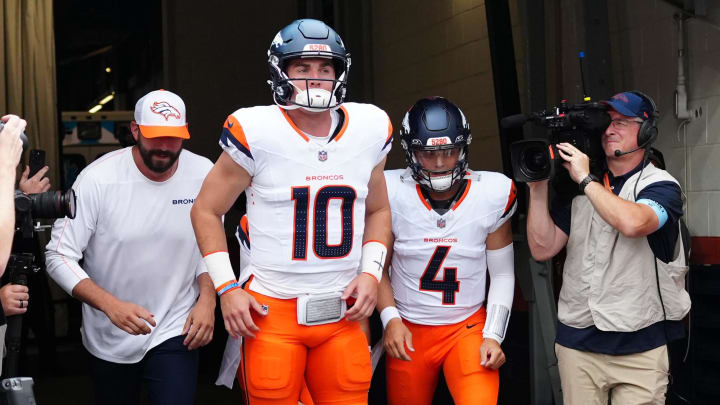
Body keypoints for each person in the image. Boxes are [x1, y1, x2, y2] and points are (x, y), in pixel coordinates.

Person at [191, 18, 393, 405]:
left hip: (343, 311)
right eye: (302, 68)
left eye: (325, 68)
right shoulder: (257, 129)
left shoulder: (368, 127)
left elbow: (379, 210)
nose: (315, 78)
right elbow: (205, 210)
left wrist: (371, 273)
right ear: (280, 72)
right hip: (271, 309)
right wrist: (227, 288)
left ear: (340, 72)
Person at [45, 90, 215, 405]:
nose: (165, 146)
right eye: (154, 136)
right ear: (135, 130)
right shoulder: (97, 180)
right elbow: (58, 254)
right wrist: (110, 305)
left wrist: (208, 299)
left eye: (174, 137)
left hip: (175, 327)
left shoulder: (204, 172)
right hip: (111, 334)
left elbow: (211, 245)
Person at [526, 91, 690, 404]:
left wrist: (585, 179)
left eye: (622, 123)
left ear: (646, 131)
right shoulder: (576, 188)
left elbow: (635, 223)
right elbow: (542, 248)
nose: (610, 129)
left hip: (640, 349)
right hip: (579, 345)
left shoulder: (660, 184)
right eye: (608, 122)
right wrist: (537, 187)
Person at [377, 97, 516, 405]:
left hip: (466, 327)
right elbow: (375, 267)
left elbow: (503, 273)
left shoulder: (492, 193)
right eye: (428, 153)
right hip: (408, 327)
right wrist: (391, 320)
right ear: (411, 151)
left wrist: (493, 334)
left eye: (448, 151)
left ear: (463, 148)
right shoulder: (390, 190)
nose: (439, 163)